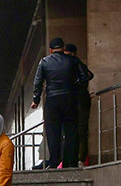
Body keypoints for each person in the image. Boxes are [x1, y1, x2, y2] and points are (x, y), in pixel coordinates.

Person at [31, 38, 91, 169]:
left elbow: (38, 82)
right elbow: (85, 77)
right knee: (71, 131)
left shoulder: (44, 62)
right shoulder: (73, 60)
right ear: (64, 48)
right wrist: (75, 89)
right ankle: (71, 162)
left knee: (53, 133)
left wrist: (36, 100)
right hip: (70, 100)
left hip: (52, 101)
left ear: (51, 50)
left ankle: (54, 162)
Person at [62, 44, 95, 165]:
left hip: (78, 101)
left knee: (79, 130)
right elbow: (89, 75)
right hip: (77, 101)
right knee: (77, 130)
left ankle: (80, 158)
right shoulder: (76, 64)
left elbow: (88, 76)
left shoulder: (74, 65)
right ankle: (76, 158)